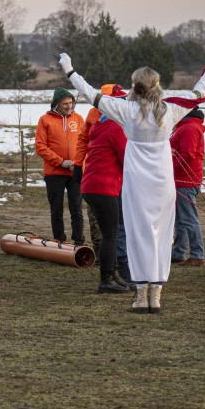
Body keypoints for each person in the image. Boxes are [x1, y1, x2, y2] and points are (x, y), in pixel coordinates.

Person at [60, 42, 205, 313]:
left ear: (135, 86)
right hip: (163, 184)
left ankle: (141, 296)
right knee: (162, 237)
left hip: (136, 186)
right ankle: (157, 296)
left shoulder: (126, 111)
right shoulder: (171, 109)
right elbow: (200, 93)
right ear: (157, 86)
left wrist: (70, 72)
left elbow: (90, 95)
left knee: (138, 236)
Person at [80, 110, 131, 294]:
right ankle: (106, 279)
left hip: (92, 186)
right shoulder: (116, 128)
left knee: (110, 233)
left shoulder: (100, 127)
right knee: (111, 234)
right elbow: (127, 158)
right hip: (103, 187)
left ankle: (113, 275)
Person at [75, 84, 129, 254]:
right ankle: (102, 251)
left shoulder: (125, 115)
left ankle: (114, 254)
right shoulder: (97, 116)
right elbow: (83, 138)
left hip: (115, 176)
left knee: (116, 220)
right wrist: (78, 164)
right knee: (99, 218)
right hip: (103, 175)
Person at [36, 87, 86, 244]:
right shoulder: (45, 120)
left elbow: (85, 143)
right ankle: (59, 240)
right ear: (56, 104)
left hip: (75, 172)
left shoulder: (78, 119)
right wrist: (61, 162)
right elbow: (40, 146)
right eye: (65, 103)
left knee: (76, 209)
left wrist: (77, 164)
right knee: (56, 210)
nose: (69, 106)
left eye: (71, 103)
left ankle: (78, 241)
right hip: (53, 173)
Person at [170, 106, 205, 267]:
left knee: (189, 219)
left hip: (185, 180)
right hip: (180, 180)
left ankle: (197, 255)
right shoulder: (183, 126)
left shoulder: (190, 127)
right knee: (180, 219)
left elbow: (187, 155)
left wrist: (170, 171)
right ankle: (178, 252)